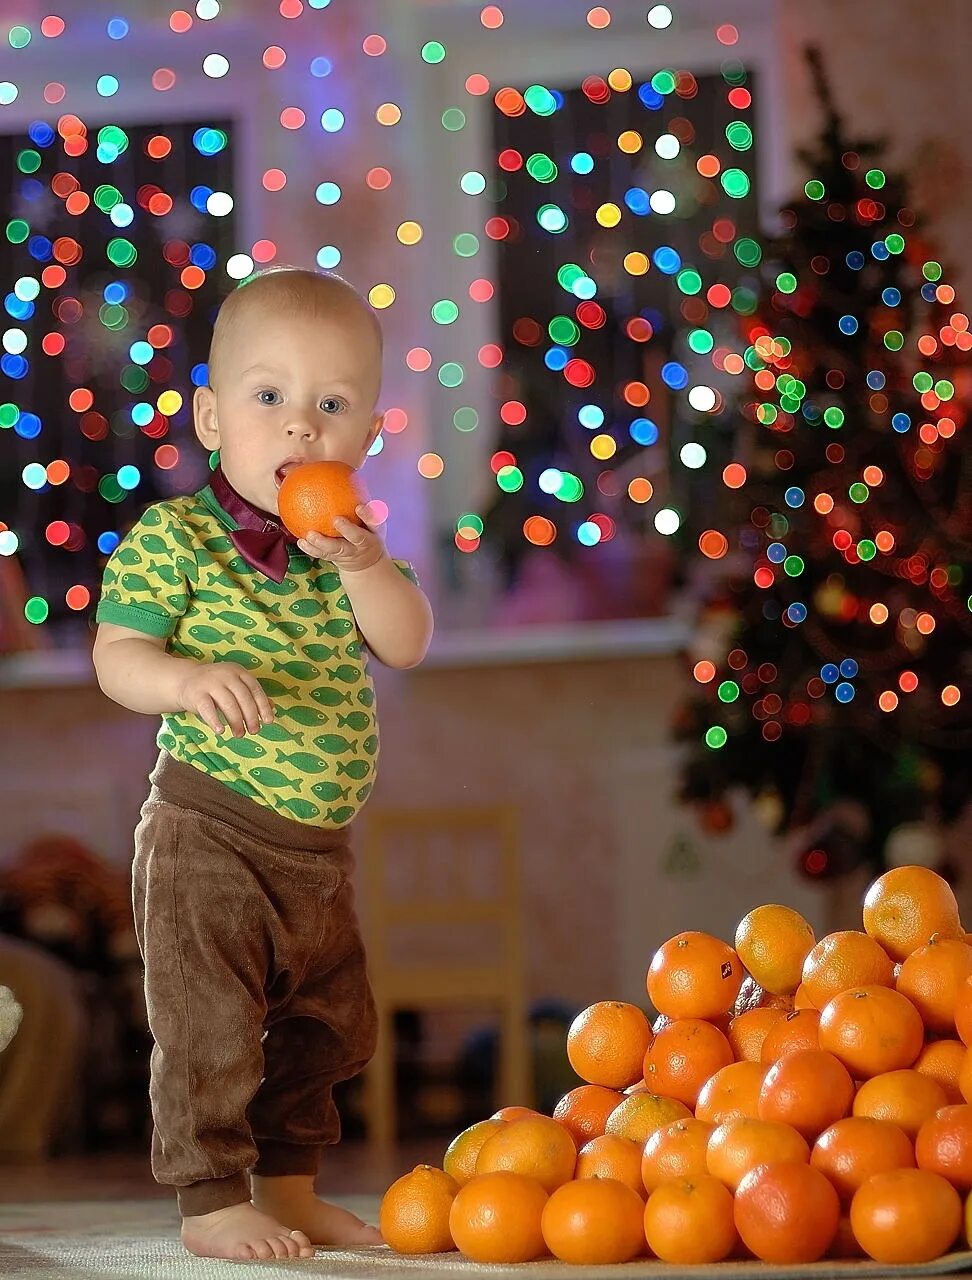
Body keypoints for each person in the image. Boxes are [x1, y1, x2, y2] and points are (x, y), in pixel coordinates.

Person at [92, 267, 433, 1261]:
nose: (300, 428)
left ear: (367, 432)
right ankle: (210, 1201)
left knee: (328, 1026)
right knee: (211, 1022)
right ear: (210, 414)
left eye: (331, 404)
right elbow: (117, 656)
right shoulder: (178, 537)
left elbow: (406, 641)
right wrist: (183, 676)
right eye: (269, 396)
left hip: (316, 849)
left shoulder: (349, 552)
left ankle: (289, 1189)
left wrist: (368, 565)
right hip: (210, 827)